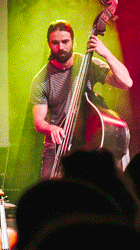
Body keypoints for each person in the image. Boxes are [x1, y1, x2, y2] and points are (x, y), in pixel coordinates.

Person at [30, 19, 133, 178]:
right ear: (48, 44)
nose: (60, 47)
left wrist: (105, 53)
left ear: (73, 41)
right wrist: (51, 128)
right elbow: (39, 122)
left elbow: (126, 82)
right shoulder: (42, 79)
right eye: (55, 43)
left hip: (86, 143)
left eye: (65, 41)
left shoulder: (89, 64)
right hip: (56, 148)